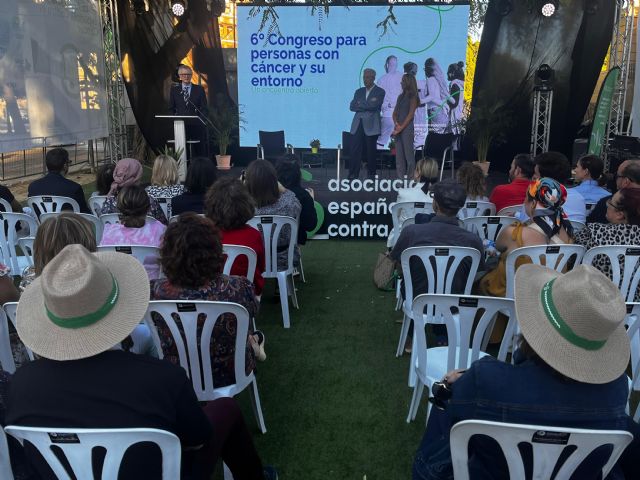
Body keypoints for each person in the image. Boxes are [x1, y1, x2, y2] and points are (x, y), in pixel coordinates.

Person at [6, 244, 276, 480]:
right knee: (226, 408)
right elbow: (198, 439)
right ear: (118, 309)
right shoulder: (162, 378)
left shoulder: (20, 387)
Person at [412, 264, 639, 480]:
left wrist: (448, 388)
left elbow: (456, 422)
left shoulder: (486, 380)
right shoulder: (616, 391)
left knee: (444, 406)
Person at [150, 213, 266, 386]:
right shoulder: (238, 287)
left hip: (175, 373)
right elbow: (253, 311)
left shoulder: (155, 291)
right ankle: (254, 343)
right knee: (246, 332)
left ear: (167, 254)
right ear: (216, 249)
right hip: (232, 372)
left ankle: (254, 342)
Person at [19, 213, 155, 356]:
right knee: (147, 335)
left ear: (38, 250)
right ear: (88, 245)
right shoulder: (104, 279)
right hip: (114, 347)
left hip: (52, 354)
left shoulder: (30, 285)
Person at [391, 179, 485, 347]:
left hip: (417, 300)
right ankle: (444, 335)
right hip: (455, 304)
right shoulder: (473, 240)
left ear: (434, 204)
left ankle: (413, 336)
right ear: (460, 207)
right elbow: (476, 272)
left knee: (413, 278)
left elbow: (398, 264)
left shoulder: (411, 231)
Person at [479, 178, 574, 299]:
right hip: (550, 298)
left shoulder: (514, 233)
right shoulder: (567, 233)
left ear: (533, 204)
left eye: (526, 198)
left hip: (514, 298)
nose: (524, 202)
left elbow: (498, 247)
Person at [575, 187, 640, 301]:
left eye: (610, 202)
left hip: (597, 304)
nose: (607, 204)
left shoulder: (593, 232)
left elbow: (572, 256)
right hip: (635, 308)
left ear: (620, 214)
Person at [205, 177, 266, 296]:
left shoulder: (205, 234)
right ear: (246, 204)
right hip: (245, 294)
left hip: (209, 295)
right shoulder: (254, 235)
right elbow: (261, 267)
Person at [100, 185, 166, 280]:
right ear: (148, 208)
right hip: (152, 286)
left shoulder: (109, 231)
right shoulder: (159, 229)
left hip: (121, 286)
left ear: (119, 208)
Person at [245, 159, 301, 270]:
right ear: (274, 180)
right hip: (285, 259)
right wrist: (283, 190)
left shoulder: (243, 207)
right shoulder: (289, 203)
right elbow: (297, 205)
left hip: (252, 260)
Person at [387, 157, 439, 249]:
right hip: (431, 242)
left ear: (418, 173)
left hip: (402, 243)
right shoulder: (440, 196)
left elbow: (396, 217)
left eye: (416, 169)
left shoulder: (403, 193)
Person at [100, 158, 168, 224]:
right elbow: (163, 226)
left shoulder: (109, 202)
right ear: (138, 176)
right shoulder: (150, 201)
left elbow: (103, 225)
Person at [27, 147, 90, 214]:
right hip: (68, 224)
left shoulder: (33, 187)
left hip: (44, 224)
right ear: (65, 166)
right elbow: (85, 213)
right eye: (69, 162)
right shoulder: (74, 188)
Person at [349, 68, 385, 180]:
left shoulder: (380, 91)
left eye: (368, 77)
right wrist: (367, 104)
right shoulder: (358, 91)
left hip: (371, 125)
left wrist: (361, 104)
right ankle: (353, 174)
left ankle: (371, 175)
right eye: (364, 77)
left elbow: (375, 106)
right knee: (354, 149)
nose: (365, 79)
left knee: (371, 151)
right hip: (358, 123)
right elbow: (352, 106)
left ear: (373, 78)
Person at [531, 151, 586, 222]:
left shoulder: (537, 200)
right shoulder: (579, 198)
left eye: (535, 174)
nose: (533, 177)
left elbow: (524, 226)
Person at [168, 64, 209, 157]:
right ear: (179, 76)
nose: (186, 76)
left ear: (191, 75)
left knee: (199, 152)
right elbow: (171, 108)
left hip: (196, 126)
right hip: (180, 126)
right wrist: (174, 121)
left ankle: (199, 170)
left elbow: (204, 108)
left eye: (188, 74)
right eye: (183, 74)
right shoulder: (175, 90)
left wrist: (201, 120)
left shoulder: (199, 89)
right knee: (182, 152)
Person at [276, 156, 318, 246]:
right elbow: (310, 225)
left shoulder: (265, 193)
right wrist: (311, 202)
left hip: (263, 246)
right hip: (293, 245)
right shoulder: (304, 196)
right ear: (298, 173)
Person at [587, 159, 640, 224]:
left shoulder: (609, 204)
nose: (615, 180)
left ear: (626, 182)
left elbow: (589, 228)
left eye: (617, 176)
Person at [421, 58, 452, 159]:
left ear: (427, 69)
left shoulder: (430, 80)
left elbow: (432, 97)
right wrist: (445, 105)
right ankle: (438, 163)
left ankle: (433, 164)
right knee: (438, 137)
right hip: (439, 112)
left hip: (435, 111)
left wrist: (420, 101)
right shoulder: (437, 80)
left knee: (434, 139)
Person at [392, 74, 419, 179]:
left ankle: (410, 179)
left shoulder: (413, 97)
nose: (401, 83)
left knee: (409, 156)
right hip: (398, 129)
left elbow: (410, 114)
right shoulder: (400, 96)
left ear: (408, 82)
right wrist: (396, 124)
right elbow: (394, 113)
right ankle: (400, 180)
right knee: (399, 157)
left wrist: (401, 127)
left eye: (403, 81)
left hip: (407, 129)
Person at [376, 55, 403, 149]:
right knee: (400, 142)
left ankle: (378, 162)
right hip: (401, 116)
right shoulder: (402, 77)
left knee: (380, 141)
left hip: (387, 115)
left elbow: (378, 100)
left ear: (386, 65)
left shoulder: (381, 80)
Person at [446, 62, 465, 136]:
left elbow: (454, 102)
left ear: (453, 73)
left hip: (455, 116)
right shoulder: (462, 84)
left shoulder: (454, 84)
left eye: (449, 72)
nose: (447, 74)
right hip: (461, 115)